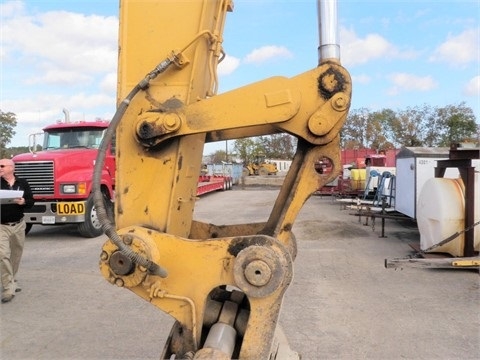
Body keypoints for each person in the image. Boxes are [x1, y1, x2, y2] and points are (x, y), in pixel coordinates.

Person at [0, 159, 34, 303]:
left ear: (11, 168)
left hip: (19, 225)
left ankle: (12, 280)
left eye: (2, 166)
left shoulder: (23, 183)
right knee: (3, 255)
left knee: (15, 255)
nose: (0, 168)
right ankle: (8, 288)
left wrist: (23, 202)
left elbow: (31, 201)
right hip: (1, 226)